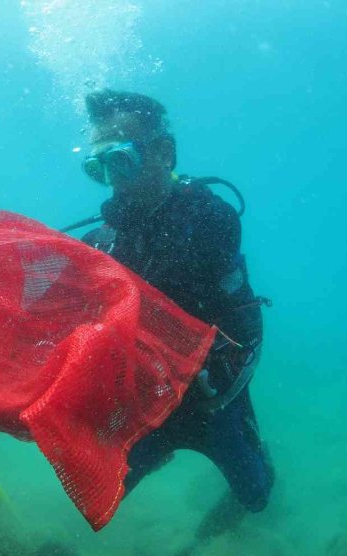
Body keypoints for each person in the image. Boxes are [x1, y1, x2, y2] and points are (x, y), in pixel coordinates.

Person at [78, 90, 274, 523]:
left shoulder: (210, 216)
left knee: (257, 496)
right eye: (99, 166)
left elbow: (172, 282)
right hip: (146, 400)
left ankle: (258, 458)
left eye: (121, 159)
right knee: (103, 498)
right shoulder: (105, 241)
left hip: (212, 398)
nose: (113, 179)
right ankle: (159, 449)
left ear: (163, 152)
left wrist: (100, 263)